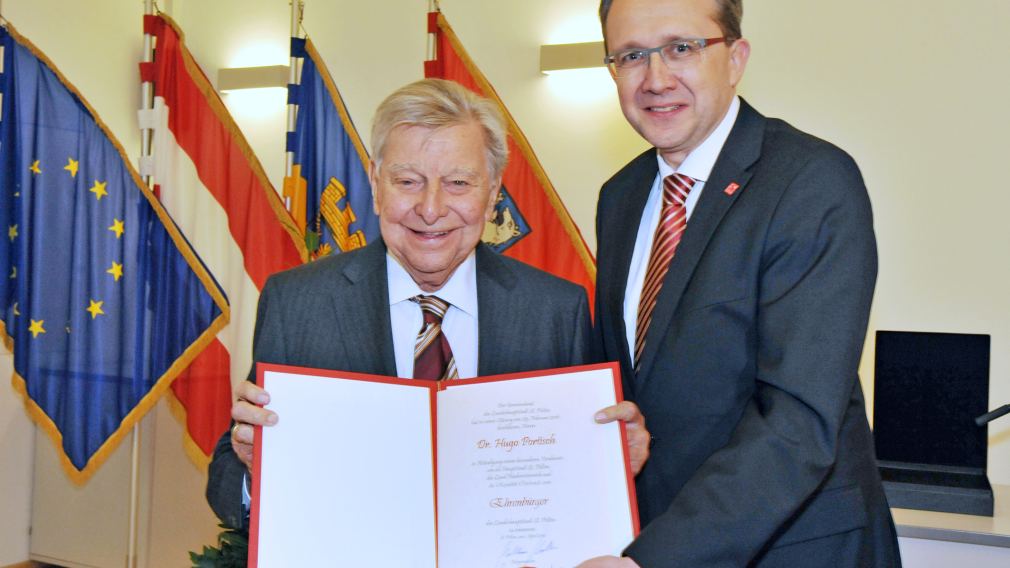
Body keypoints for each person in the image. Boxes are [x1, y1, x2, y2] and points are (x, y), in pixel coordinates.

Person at [206, 78, 650, 535]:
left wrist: (610, 461)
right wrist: (254, 469)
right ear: (376, 184)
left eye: (458, 183)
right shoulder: (297, 302)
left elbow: (571, 476)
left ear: (493, 192)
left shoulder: (556, 309)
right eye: (407, 181)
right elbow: (227, 479)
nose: (431, 208)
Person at [579, 0, 901, 566]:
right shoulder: (620, 197)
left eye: (682, 48)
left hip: (790, 548)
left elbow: (798, 421)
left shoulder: (811, 182)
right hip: (656, 533)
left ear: (735, 58)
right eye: (631, 55)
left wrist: (654, 559)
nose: (656, 78)